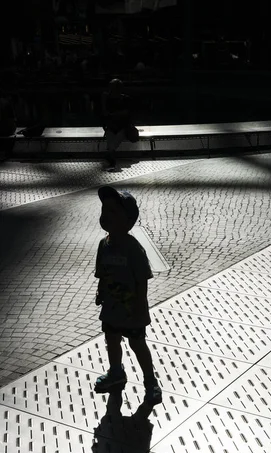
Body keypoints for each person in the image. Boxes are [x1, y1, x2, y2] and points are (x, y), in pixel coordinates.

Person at [94, 185, 162, 405]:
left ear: (128, 220)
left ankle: (150, 382)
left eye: (114, 212)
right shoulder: (103, 245)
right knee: (111, 339)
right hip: (112, 306)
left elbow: (142, 279)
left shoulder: (133, 249)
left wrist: (141, 306)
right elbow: (102, 273)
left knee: (137, 343)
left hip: (132, 308)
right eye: (105, 211)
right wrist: (100, 292)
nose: (107, 216)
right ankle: (116, 372)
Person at [101, 78, 132, 169]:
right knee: (111, 136)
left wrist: (113, 114)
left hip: (122, 126)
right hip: (111, 125)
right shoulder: (107, 99)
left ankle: (110, 155)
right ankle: (110, 156)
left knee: (117, 136)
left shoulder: (126, 99)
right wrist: (103, 101)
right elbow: (104, 113)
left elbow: (127, 113)